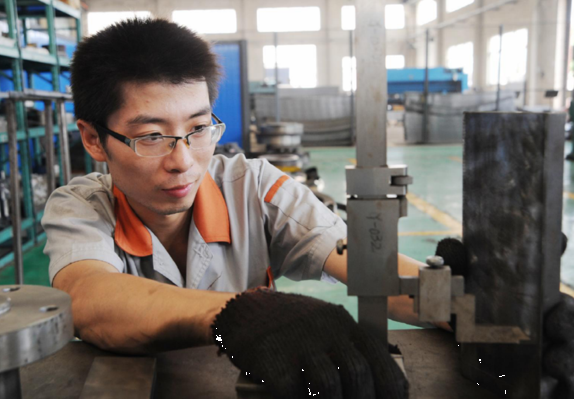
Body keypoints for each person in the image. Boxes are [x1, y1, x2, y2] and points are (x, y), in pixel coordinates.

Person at [42, 18, 433, 398]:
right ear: (93, 139)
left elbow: (370, 268)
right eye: (151, 136)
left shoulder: (255, 187)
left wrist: (450, 294)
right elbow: (89, 299)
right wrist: (243, 313)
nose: (183, 161)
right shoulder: (81, 207)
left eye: (198, 129)